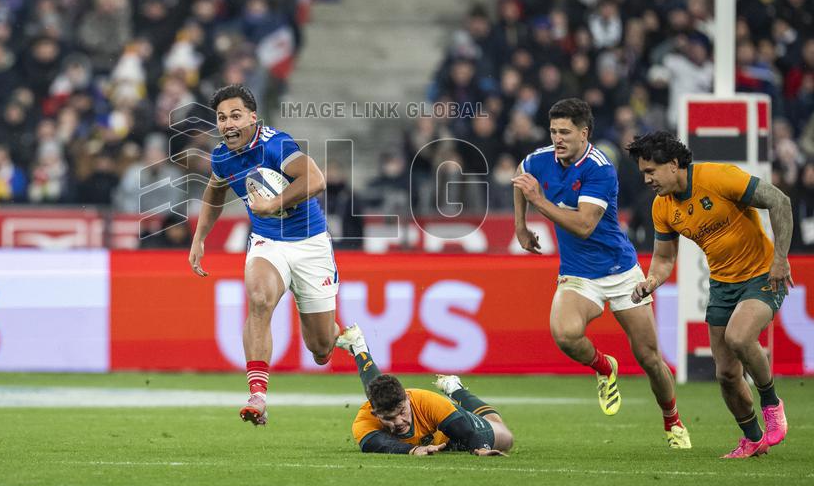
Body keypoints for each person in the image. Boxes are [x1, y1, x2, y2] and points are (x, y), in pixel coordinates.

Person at [512, 98, 690, 449]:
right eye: (553, 131)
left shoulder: (600, 168)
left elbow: (583, 225)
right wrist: (520, 226)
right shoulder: (539, 159)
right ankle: (604, 367)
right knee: (564, 333)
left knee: (650, 359)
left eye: (565, 132)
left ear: (584, 133)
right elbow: (522, 176)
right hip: (578, 272)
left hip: (620, 271)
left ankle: (673, 421)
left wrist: (539, 203)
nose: (557, 138)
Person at [626, 132, 792, 458]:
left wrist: (780, 259)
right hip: (721, 285)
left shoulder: (718, 177)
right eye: (643, 172)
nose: (647, 179)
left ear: (674, 165)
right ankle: (753, 439)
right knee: (727, 375)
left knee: (740, 337)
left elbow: (780, 201)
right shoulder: (662, 208)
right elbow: (663, 258)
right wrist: (651, 281)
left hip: (761, 276)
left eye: (651, 171)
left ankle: (771, 402)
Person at [189, 84, 338, 426]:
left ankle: (339, 333)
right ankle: (258, 395)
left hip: (310, 243)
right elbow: (214, 193)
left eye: (236, 116)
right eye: (222, 117)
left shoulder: (275, 143)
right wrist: (199, 237)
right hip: (267, 242)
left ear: (253, 118)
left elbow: (315, 179)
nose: (228, 124)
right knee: (259, 299)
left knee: (321, 349)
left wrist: (272, 203)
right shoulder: (223, 156)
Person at [336, 324, 513, 456]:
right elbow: (377, 445)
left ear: (407, 398)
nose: (398, 422)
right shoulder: (364, 421)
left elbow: (466, 432)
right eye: (389, 418)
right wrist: (414, 450)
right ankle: (359, 346)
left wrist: (481, 449)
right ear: (375, 414)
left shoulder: (428, 401)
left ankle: (456, 390)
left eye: (402, 412)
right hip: (431, 437)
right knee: (378, 389)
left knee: (506, 437)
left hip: (451, 429)